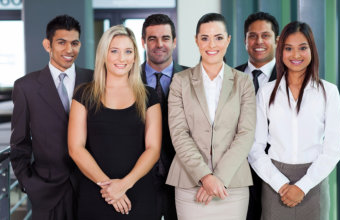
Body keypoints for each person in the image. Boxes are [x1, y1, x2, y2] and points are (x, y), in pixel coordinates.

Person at [248, 21, 340, 220]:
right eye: (288, 49)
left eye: (303, 48)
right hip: (275, 184)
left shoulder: (329, 92)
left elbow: (333, 149)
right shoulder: (266, 93)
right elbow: (254, 148)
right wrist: (280, 184)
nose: (296, 55)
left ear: (312, 50)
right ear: (281, 52)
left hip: (314, 183)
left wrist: (303, 186)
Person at [166, 13, 256, 220]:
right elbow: (179, 133)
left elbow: (246, 133)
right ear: (196, 40)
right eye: (204, 38)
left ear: (228, 40)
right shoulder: (180, 81)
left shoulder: (244, 82)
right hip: (190, 184)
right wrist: (205, 177)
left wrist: (219, 178)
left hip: (232, 185)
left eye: (218, 37)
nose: (211, 44)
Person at [68, 25, 162, 219]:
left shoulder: (149, 96)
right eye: (114, 51)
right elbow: (75, 148)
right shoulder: (84, 94)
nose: (122, 58)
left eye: (128, 51)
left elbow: (153, 149)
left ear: (135, 56)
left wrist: (124, 185)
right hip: (95, 195)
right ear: (104, 55)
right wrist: (110, 188)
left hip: (139, 195)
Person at [10, 15, 93, 220]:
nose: (69, 50)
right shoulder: (25, 87)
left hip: (91, 187)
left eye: (74, 43)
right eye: (61, 42)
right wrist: (29, 183)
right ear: (47, 45)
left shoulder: (94, 80)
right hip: (47, 192)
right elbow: (19, 143)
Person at [140, 13, 188, 220]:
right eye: (152, 38)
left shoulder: (192, 78)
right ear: (143, 42)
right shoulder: (126, 79)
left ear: (174, 42)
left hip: (183, 177)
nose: (159, 44)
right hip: (138, 178)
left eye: (165, 38)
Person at [235, 11, 279, 220]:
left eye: (265, 35)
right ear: (245, 41)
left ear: (277, 40)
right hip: (236, 174)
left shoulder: (291, 79)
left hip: (277, 174)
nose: (258, 41)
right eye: (252, 36)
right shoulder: (229, 77)